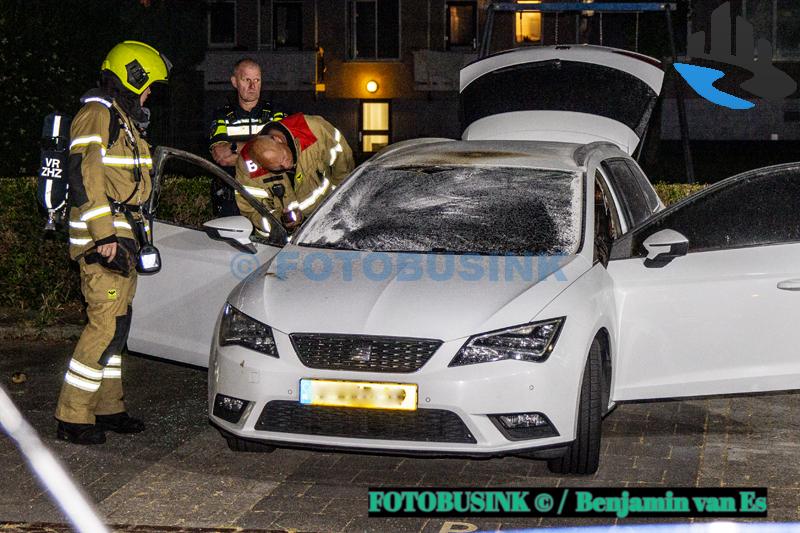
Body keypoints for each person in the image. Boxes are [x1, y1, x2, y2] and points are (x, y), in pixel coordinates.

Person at [55, 41, 171, 445]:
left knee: (118, 326)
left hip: (123, 240)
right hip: (103, 241)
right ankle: (72, 416)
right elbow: (84, 176)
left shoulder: (122, 118)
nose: (150, 93)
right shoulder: (97, 113)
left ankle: (108, 407)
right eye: (148, 84)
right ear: (131, 77)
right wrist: (103, 235)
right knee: (104, 325)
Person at [234, 113, 354, 236]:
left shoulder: (313, 129)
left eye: (284, 158)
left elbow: (344, 166)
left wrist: (339, 202)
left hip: (326, 218)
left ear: (278, 139)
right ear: (261, 166)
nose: (287, 166)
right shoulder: (247, 168)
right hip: (282, 240)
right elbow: (251, 212)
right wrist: (280, 221)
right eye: (278, 168)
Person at [208, 58, 284, 216]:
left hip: (270, 199)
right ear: (234, 82)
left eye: (257, 80)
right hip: (233, 202)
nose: (252, 86)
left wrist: (234, 147)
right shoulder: (222, 115)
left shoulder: (276, 113)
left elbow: (281, 155)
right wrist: (263, 151)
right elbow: (221, 157)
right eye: (246, 80)